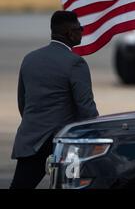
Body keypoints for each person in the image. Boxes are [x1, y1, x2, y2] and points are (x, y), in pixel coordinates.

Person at [10, 11, 99, 189]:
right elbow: (86, 108)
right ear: (68, 33)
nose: (82, 32)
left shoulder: (30, 59)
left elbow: (23, 103)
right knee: (72, 187)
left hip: (30, 140)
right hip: (63, 146)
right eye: (79, 29)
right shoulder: (75, 63)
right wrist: (97, 135)